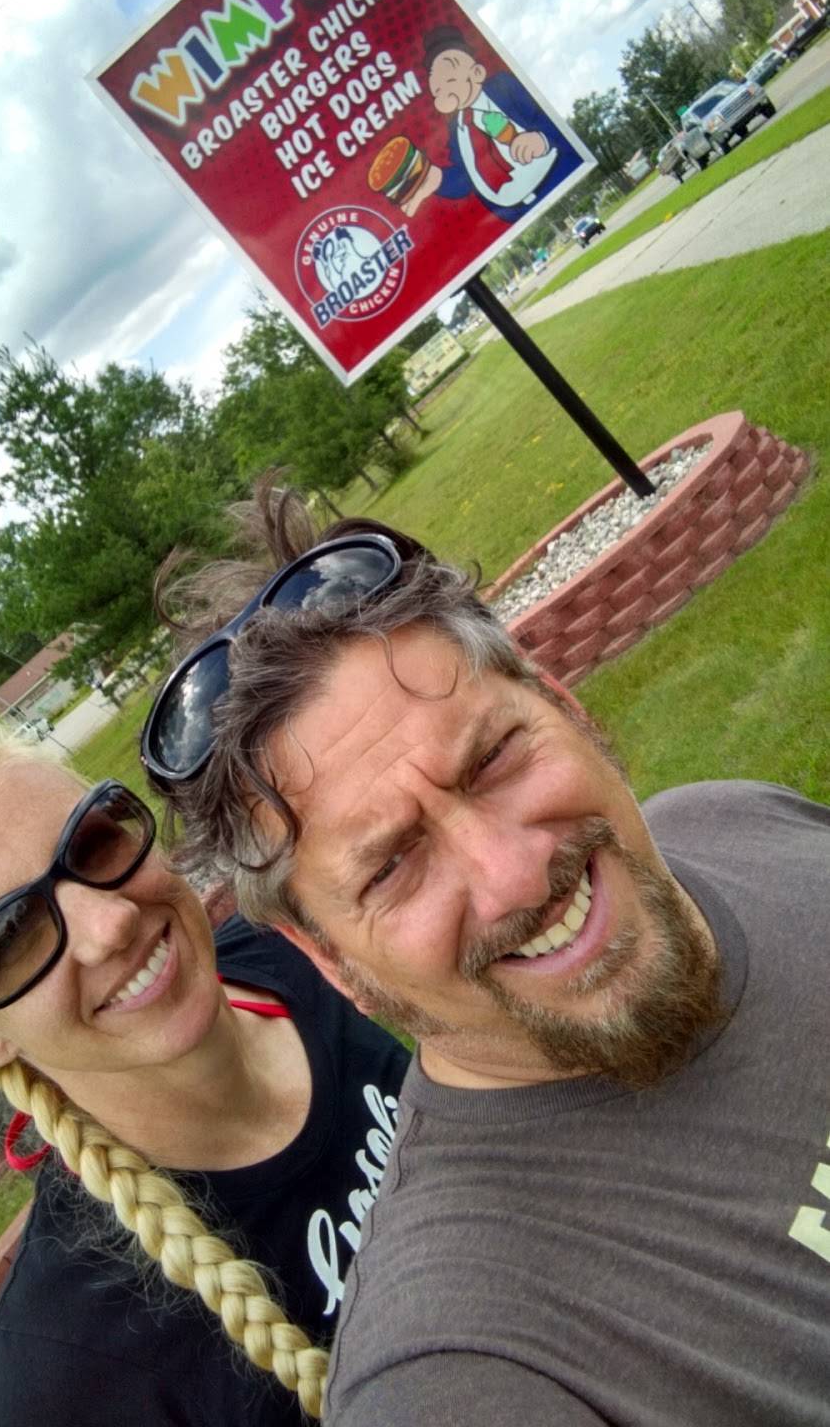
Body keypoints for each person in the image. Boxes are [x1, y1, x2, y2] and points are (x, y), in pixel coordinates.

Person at [143, 484, 830, 1427]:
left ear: (563, 705)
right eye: (393, 866)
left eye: (495, 759)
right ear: (332, 960)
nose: (513, 874)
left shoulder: (737, 817)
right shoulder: (456, 1368)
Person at [0, 709, 408, 1426]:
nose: (111, 924)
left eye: (93, 842)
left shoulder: (294, 950)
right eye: (9, 935)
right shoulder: (61, 1380)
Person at [398, 25, 574, 221]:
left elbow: (545, 116)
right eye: (438, 87)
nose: (443, 88)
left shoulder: (503, 87)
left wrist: (541, 139)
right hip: (517, 213)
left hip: (558, 177)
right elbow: (465, 178)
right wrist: (438, 179)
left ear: (477, 73)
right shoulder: (457, 130)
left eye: (450, 80)